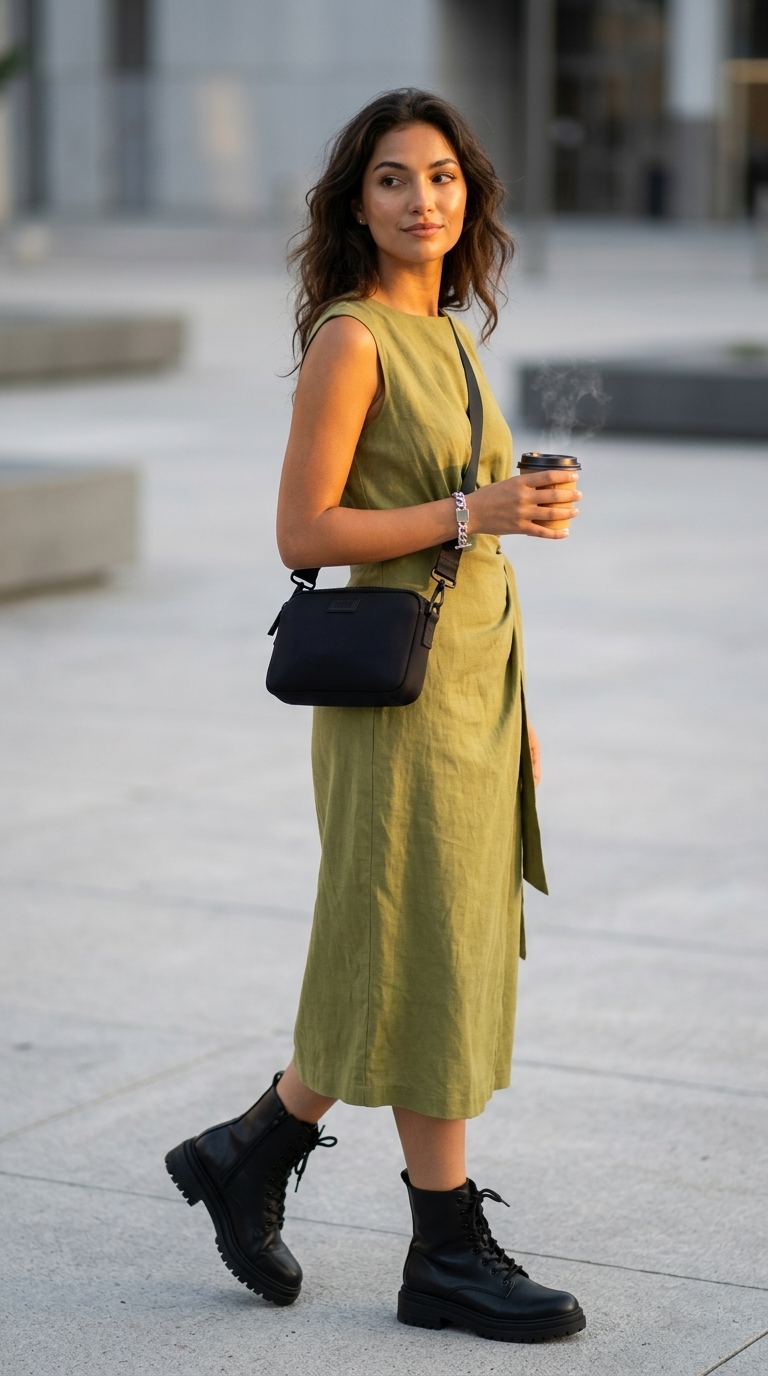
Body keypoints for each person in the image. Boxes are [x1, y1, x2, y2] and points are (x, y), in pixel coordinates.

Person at [166, 88, 586, 1346]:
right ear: (358, 201)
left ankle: (253, 1148)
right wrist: (479, 512)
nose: (425, 200)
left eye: (445, 176)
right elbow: (306, 533)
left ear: (473, 196)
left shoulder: (451, 336)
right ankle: (442, 1247)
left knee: (420, 945)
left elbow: (483, 531)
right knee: (420, 947)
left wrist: (516, 704)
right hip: (393, 697)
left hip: (467, 688)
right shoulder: (355, 338)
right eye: (395, 179)